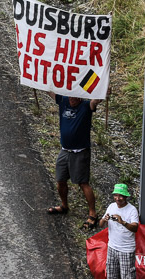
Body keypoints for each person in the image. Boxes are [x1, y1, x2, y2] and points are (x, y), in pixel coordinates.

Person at [46, 91, 105, 229]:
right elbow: (49, 91)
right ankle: (64, 206)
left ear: (80, 96)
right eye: (71, 96)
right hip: (65, 150)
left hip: (80, 152)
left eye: (76, 97)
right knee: (60, 180)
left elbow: (95, 101)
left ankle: (92, 213)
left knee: (83, 183)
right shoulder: (63, 100)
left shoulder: (85, 106)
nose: (73, 99)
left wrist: (103, 92)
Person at [100, 184, 139, 279]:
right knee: (111, 275)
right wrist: (104, 219)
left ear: (125, 196)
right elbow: (101, 224)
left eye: (120, 196)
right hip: (112, 247)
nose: (118, 198)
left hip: (126, 249)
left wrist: (123, 222)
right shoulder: (111, 206)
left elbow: (135, 228)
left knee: (127, 276)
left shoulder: (132, 210)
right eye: (116, 195)